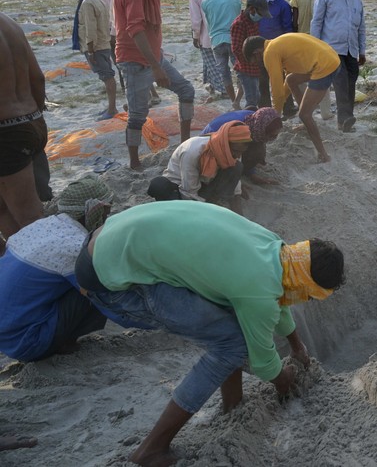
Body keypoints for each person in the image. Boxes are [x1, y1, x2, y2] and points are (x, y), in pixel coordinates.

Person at [74, 200, 346, 467]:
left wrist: (296, 345)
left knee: (231, 325)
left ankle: (233, 406)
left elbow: (273, 296)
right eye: (309, 297)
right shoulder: (259, 290)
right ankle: (151, 449)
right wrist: (283, 379)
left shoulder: (275, 247)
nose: (305, 301)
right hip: (108, 277)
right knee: (232, 344)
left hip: (110, 238)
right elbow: (264, 363)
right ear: (305, 286)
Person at [0, 176, 115, 364]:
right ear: (96, 210)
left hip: (6, 337)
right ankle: (62, 342)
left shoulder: (42, 226)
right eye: (107, 211)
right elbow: (105, 294)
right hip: (27, 343)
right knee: (94, 282)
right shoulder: (75, 246)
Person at [112, 0, 195, 170]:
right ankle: (134, 162)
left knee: (186, 90)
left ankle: (184, 145)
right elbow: (135, 29)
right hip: (135, 61)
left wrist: (157, 61)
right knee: (138, 115)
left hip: (153, 57)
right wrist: (155, 67)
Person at [244, 34, 341, 163]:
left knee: (304, 115)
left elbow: (276, 89)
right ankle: (307, 124)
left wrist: (274, 116)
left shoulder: (269, 53)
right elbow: (286, 82)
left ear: (257, 53)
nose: (259, 63)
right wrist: (279, 105)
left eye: (256, 60)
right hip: (332, 58)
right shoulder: (276, 43)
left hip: (324, 66)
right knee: (291, 80)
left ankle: (323, 154)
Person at [0, 12, 50, 246]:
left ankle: (50, 278)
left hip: (6, 133)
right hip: (31, 120)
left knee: (30, 218)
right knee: (7, 212)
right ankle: (19, 266)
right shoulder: (9, 23)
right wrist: (34, 114)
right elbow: (38, 78)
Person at [147, 120, 252, 214]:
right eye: (236, 152)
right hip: (180, 186)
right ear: (224, 144)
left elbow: (234, 177)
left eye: (241, 152)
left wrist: (238, 210)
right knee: (158, 185)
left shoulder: (234, 150)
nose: (238, 156)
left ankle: (210, 204)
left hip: (205, 183)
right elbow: (189, 192)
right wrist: (201, 211)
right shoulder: (192, 151)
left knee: (237, 167)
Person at [311, 0, 366, 133]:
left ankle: (345, 120)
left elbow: (361, 28)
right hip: (331, 50)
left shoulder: (357, 0)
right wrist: (316, 50)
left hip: (351, 50)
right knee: (341, 83)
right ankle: (345, 118)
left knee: (350, 84)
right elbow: (316, 23)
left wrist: (362, 51)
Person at [72, 0, 118, 120]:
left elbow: (90, 29)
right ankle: (111, 107)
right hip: (102, 43)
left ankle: (112, 109)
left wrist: (90, 49)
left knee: (107, 76)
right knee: (107, 76)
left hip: (96, 47)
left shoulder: (87, 3)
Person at [202, 107, 283, 185]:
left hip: (229, 142)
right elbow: (226, 151)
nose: (273, 139)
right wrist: (236, 184)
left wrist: (252, 174)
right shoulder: (239, 128)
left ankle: (245, 171)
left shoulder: (257, 120)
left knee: (259, 152)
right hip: (210, 145)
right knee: (254, 154)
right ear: (263, 129)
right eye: (272, 136)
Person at [291, 0, 332, 120]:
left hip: (302, 40)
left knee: (302, 76)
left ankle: (307, 109)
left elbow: (294, 21)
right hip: (319, 41)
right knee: (321, 75)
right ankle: (326, 112)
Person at [254, 0, 294, 110]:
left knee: (281, 79)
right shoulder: (254, 4)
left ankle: (287, 107)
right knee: (262, 80)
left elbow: (288, 28)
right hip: (260, 48)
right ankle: (265, 110)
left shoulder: (282, 5)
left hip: (278, 48)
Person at [201, 0, 242, 109]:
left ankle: (233, 99)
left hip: (216, 41)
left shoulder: (205, 3)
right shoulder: (235, 0)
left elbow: (208, 21)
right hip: (234, 39)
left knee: (224, 72)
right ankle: (239, 98)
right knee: (240, 70)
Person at [231, 0, 271, 110]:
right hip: (246, 69)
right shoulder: (239, 24)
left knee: (257, 96)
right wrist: (253, 60)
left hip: (256, 68)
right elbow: (237, 49)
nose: (261, 17)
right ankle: (250, 125)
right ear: (252, 9)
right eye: (260, 13)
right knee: (252, 100)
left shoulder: (253, 21)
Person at [188, 0, 219, 102]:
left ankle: (222, 89)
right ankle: (211, 86)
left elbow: (196, 19)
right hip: (217, 34)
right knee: (212, 62)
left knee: (211, 63)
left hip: (205, 36)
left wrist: (195, 36)